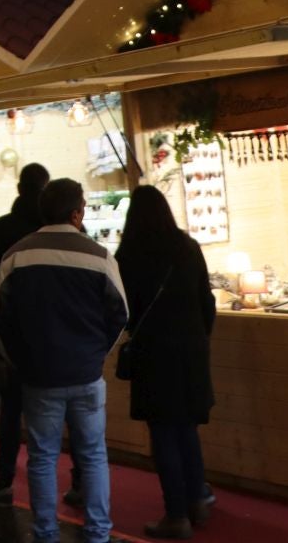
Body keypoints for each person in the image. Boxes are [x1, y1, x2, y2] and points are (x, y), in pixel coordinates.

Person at [0, 178, 127, 543]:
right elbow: (120, 314)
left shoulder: (16, 256)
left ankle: (45, 533)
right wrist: (98, 354)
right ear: (77, 213)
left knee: (42, 457)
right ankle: (98, 533)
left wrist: (18, 359)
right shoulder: (99, 256)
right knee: (94, 456)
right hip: (86, 373)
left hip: (39, 376)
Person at [115, 186, 216, 538]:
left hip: (153, 355)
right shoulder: (188, 247)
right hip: (190, 352)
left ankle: (176, 515)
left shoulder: (128, 255)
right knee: (187, 430)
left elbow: (123, 313)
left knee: (163, 435)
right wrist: (199, 338)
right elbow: (207, 302)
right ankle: (198, 502)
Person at [0, 161, 51, 501]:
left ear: (19, 188)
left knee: (10, 412)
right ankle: (68, 483)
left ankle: (5, 479)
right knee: (52, 413)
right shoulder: (51, 229)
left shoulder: (3, 227)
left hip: (11, 333)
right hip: (51, 333)